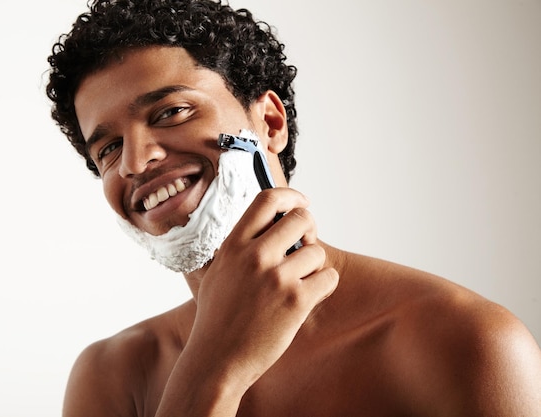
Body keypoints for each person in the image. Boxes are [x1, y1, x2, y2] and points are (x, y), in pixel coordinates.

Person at [46, 1, 541, 416]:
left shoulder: (469, 343)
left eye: (172, 111)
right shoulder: (113, 376)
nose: (135, 162)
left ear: (269, 122)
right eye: (107, 148)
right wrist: (213, 366)